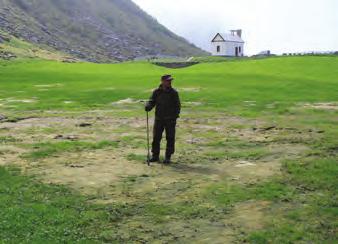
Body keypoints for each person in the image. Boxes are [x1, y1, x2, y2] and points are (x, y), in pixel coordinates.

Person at [145, 74, 181, 164]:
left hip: (170, 120)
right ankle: (155, 156)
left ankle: (168, 157)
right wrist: (148, 106)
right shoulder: (157, 92)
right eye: (168, 81)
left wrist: (175, 116)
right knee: (156, 138)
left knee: (170, 138)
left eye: (170, 81)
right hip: (159, 119)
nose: (169, 82)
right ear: (162, 81)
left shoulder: (174, 93)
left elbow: (178, 106)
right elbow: (152, 101)